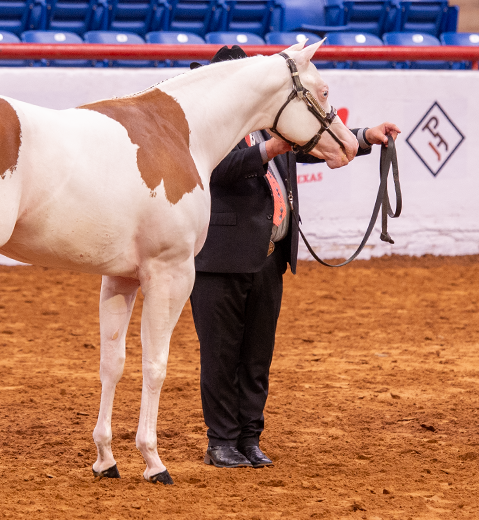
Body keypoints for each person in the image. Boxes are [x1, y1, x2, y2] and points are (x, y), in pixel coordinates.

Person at [190, 45, 401, 468]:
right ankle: (222, 440)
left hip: (268, 256)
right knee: (220, 355)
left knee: (256, 355)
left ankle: (249, 437)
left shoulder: (269, 121)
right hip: (220, 258)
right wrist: (271, 149)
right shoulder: (205, 124)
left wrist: (363, 138)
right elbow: (215, 169)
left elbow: (310, 142)